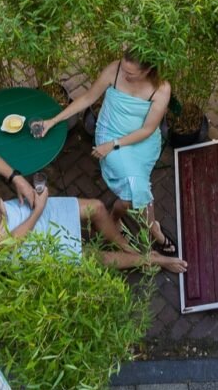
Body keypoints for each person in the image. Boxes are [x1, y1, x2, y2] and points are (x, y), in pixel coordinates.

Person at [0, 148, 185, 273]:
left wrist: (17, 179)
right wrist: (39, 209)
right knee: (90, 256)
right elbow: (7, 244)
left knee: (97, 208)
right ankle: (150, 259)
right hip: (12, 248)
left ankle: (126, 246)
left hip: (16, 215)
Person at [32, 51, 176, 255]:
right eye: (123, 69)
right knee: (137, 187)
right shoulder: (114, 70)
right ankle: (154, 229)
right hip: (110, 133)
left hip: (139, 141)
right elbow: (88, 98)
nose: (124, 74)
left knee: (129, 197)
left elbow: (147, 130)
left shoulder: (161, 88)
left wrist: (114, 145)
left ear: (148, 70)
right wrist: (53, 121)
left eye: (131, 73)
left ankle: (115, 218)